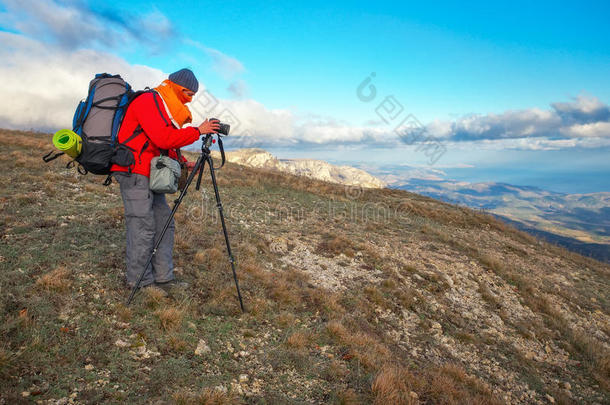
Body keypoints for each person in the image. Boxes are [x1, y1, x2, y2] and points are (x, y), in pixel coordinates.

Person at [111, 68, 219, 292]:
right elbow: (163, 137)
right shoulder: (148, 101)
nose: (190, 100)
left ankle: (164, 278)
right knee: (142, 226)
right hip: (134, 170)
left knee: (164, 223)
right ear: (178, 88)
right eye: (189, 94)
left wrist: (182, 164)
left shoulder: (167, 107)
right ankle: (140, 282)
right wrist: (198, 131)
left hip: (151, 173)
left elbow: (161, 144)